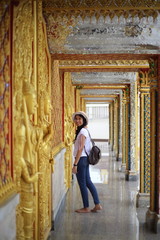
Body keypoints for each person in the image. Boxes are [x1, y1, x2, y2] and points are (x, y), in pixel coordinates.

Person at [72, 111, 102, 213]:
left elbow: (80, 148)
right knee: (88, 182)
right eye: (76, 119)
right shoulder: (84, 130)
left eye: (80, 119)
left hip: (81, 160)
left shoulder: (83, 132)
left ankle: (86, 207)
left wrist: (75, 164)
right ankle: (97, 204)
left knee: (82, 183)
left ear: (84, 120)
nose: (77, 121)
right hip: (84, 159)